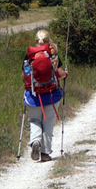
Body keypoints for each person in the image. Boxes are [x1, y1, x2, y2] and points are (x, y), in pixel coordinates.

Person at [23, 29, 67, 163]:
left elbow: (24, 77)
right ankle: (45, 153)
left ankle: (35, 141)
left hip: (33, 96)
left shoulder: (29, 56)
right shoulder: (52, 54)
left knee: (35, 120)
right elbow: (60, 74)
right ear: (48, 41)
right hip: (51, 95)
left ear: (36, 41)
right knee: (48, 123)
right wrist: (65, 73)